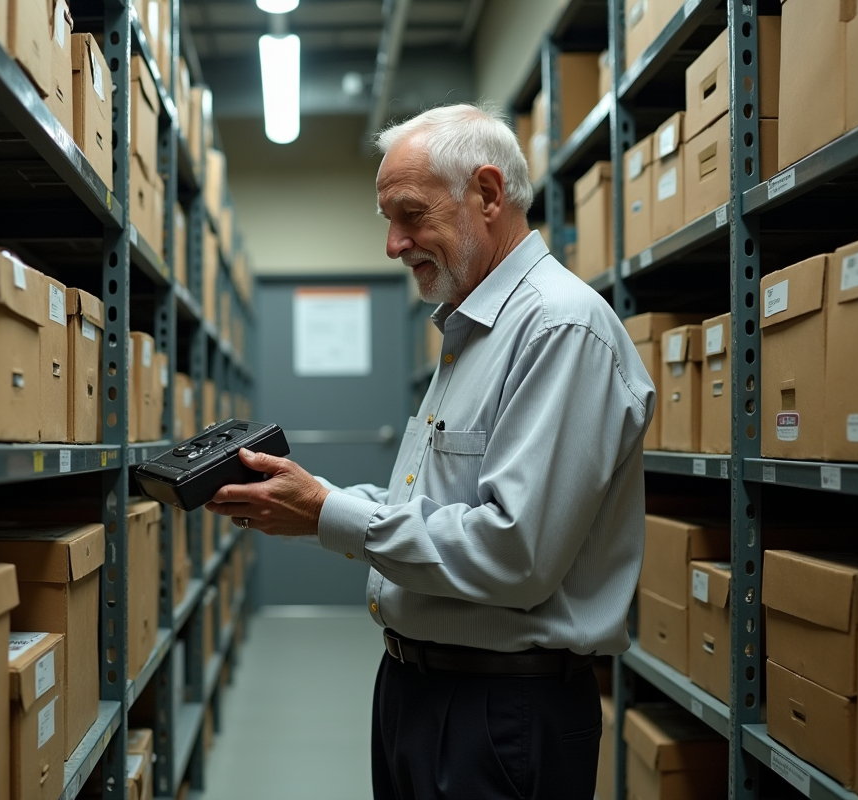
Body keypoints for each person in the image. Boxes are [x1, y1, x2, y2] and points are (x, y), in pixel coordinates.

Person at [205, 103, 655, 799]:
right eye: (388, 220)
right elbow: (439, 508)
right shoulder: (469, 329)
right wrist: (317, 498)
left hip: (501, 712)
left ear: (488, 193)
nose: (393, 243)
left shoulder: (559, 329)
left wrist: (328, 513)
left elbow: (515, 551)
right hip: (418, 691)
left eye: (410, 215)